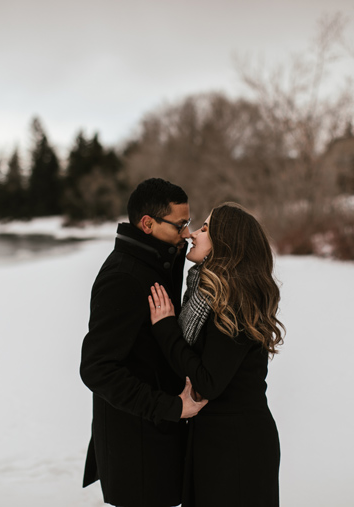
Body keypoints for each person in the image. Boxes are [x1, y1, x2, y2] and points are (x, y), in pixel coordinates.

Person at [80, 178, 208, 507]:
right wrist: (170, 407)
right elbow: (97, 369)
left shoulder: (157, 260)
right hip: (135, 445)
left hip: (157, 438)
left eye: (189, 224)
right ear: (147, 223)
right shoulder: (123, 277)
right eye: (180, 225)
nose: (186, 234)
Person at [147, 202, 285, 507]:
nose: (194, 234)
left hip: (237, 446)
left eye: (206, 228)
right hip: (213, 438)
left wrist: (166, 329)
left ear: (226, 243)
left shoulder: (233, 301)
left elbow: (208, 382)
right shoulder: (206, 294)